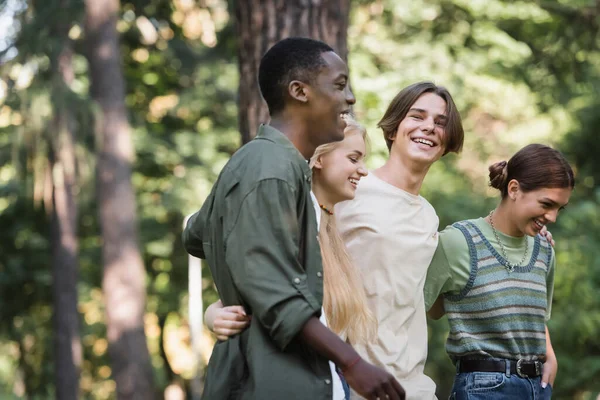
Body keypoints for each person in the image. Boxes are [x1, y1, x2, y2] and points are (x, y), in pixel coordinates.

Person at [182, 37, 404, 400]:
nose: (349, 98)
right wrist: (353, 363)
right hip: (269, 382)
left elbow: (196, 233)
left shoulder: (272, 164)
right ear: (299, 91)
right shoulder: (269, 168)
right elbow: (278, 296)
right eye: (339, 84)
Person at [205, 116, 378, 400]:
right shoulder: (288, 215)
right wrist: (213, 314)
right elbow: (257, 290)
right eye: (354, 158)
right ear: (320, 158)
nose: (364, 170)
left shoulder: (334, 223)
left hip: (333, 384)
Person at [335, 81, 464, 400]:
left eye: (440, 122)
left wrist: (533, 234)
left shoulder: (428, 216)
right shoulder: (351, 189)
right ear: (393, 129)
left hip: (412, 386)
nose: (429, 127)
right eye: (417, 116)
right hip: (354, 382)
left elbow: (427, 301)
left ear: (448, 142)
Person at [424, 144, 574, 399]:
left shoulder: (545, 250)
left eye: (559, 208)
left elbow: (534, 320)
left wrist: (549, 355)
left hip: (538, 387)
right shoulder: (458, 242)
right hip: (484, 387)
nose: (553, 217)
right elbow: (427, 309)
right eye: (547, 204)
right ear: (514, 189)